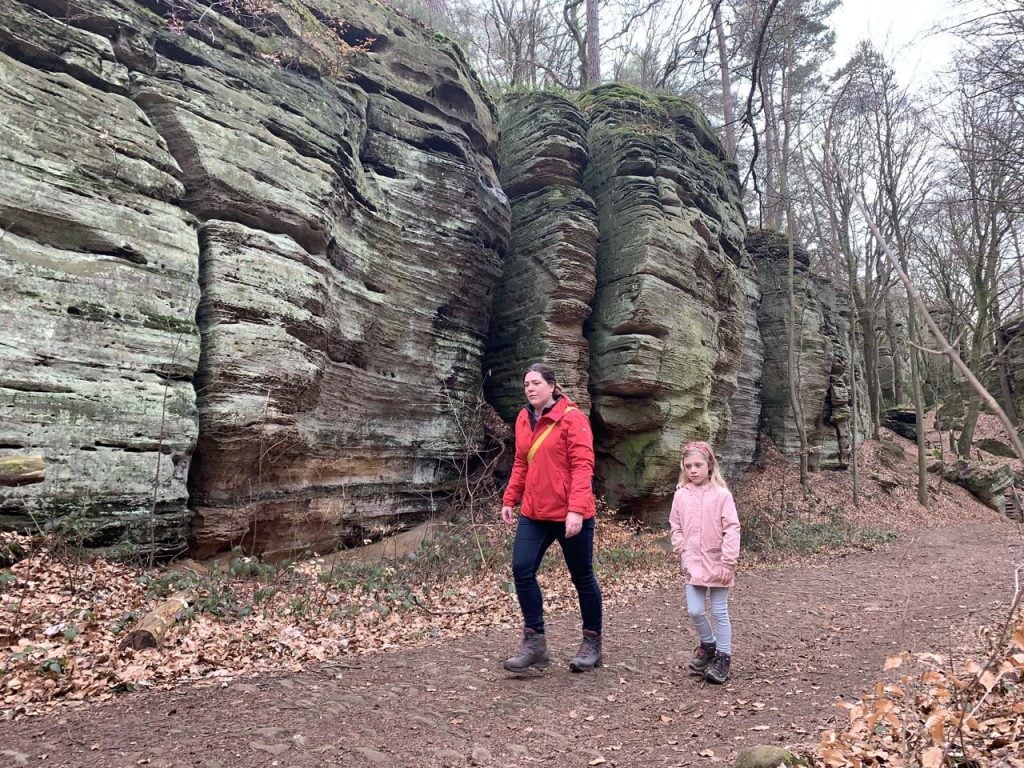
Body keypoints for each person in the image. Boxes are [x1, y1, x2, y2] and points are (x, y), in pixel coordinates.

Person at [500, 363, 603, 673]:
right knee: (521, 568)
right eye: (526, 384)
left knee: (582, 576)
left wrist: (575, 509)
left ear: (552, 386)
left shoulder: (573, 419)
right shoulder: (523, 419)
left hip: (571, 513)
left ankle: (592, 643)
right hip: (534, 511)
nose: (530, 388)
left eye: (536, 383)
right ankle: (535, 643)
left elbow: (583, 467)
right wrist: (510, 498)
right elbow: (521, 462)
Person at [669, 440, 741, 684]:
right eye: (688, 465)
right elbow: (675, 526)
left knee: (720, 612)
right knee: (695, 609)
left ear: (709, 465)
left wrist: (728, 562)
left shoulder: (722, 495)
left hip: (719, 562)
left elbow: (732, 529)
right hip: (693, 563)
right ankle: (708, 645)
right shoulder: (680, 495)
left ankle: (723, 657)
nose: (693, 470)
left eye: (698, 465)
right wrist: (683, 551)